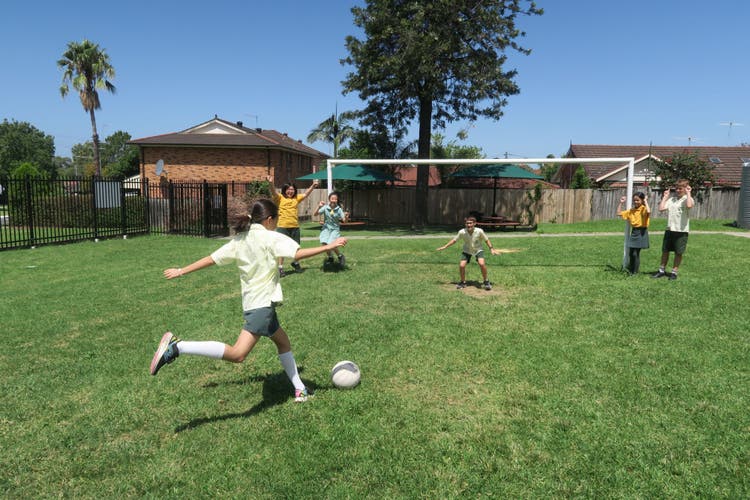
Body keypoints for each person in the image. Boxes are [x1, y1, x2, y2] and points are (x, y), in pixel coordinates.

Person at [150, 198, 347, 403]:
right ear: (269, 220)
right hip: (261, 307)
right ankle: (178, 347)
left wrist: (181, 271)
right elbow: (297, 254)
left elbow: (211, 259)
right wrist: (329, 246)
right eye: (276, 219)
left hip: (257, 304)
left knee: (283, 342)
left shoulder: (240, 240)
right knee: (238, 354)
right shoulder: (271, 238)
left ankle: (300, 389)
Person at [270, 177, 319, 275]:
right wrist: (271, 183)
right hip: (282, 227)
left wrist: (313, 186)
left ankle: (295, 262)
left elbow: (306, 194)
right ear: (285, 190)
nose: (290, 191)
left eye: (292, 189)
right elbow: (273, 192)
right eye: (288, 189)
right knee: (282, 248)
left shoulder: (296, 198)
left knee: (296, 248)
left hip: (295, 226)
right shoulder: (280, 198)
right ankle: (280, 268)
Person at [436, 216, 501, 290]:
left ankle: (486, 281)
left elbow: (487, 240)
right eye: (467, 223)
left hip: (478, 250)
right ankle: (463, 282)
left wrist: (491, 249)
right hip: (467, 250)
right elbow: (454, 240)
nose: (469, 225)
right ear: (465, 224)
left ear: (474, 224)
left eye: (470, 223)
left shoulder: (480, 231)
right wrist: (445, 246)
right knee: (462, 265)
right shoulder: (462, 232)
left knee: (482, 264)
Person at [652, 179, 694, 280]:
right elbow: (661, 208)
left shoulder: (687, 199)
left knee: (678, 253)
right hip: (670, 229)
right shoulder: (672, 200)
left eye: (680, 188)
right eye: (677, 188)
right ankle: (661, 270)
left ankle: (674, 272)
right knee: (665, 251)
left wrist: (689, 193)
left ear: (685, 189)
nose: (678, 190)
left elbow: (689, 205)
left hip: (681, 231)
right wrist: (665, 197)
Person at [616, 191, 650, 275]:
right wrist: (621, 202)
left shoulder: (643, 209)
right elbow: (618, 213)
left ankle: (635, 272)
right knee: (631, 253)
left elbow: (649, 211)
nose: (636, 202)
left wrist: (645, 201)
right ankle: (631, 269)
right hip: (634, 231)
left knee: (635, 253)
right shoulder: (631, 210)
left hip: (642, 232)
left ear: (641, 200)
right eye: (634, 200)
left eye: (638, 200)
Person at [317, 191, 348, 266]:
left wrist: (346, 217)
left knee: (331, 243)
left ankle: (340, 256)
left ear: (337, 200)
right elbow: (315, 214)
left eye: (335, 199)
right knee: (324, 243)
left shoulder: (339, 209)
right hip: (326, 228)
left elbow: (344, 221)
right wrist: (319, 206)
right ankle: (330, 257)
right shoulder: (325, 207)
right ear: (329, 199)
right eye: (332, 198)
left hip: (335, 229)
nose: (334, 200)